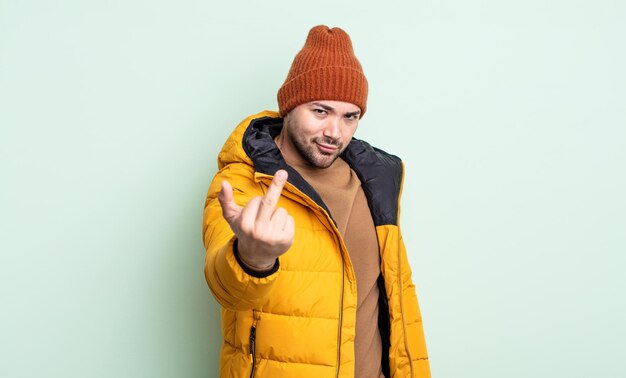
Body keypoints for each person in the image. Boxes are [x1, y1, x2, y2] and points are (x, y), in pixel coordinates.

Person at [202, 25, 430, 377]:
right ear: (289, 106)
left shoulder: (379, 180)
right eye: (321, 111)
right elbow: (228, 288)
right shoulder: (244, 181)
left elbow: (398, 304)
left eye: (349, 116)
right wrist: (253, 257)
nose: (334, 133)